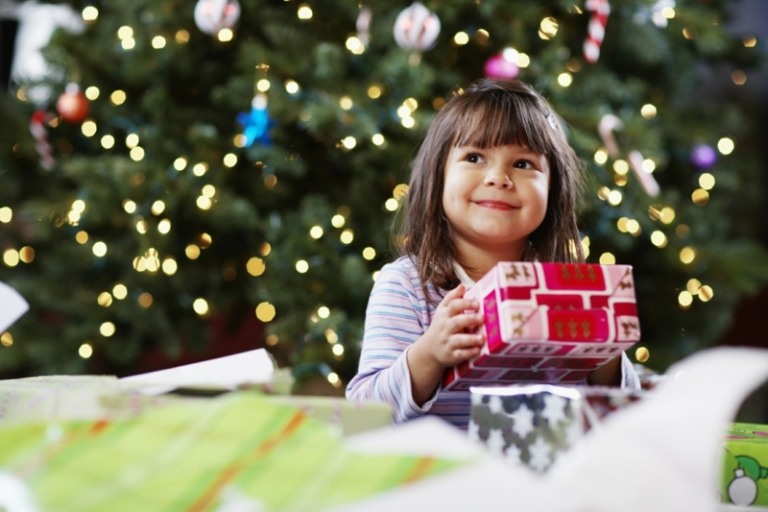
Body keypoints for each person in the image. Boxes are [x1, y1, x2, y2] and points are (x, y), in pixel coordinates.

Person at [345, 78, 640, 429]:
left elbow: (625, 418)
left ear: (553, 189)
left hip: (538, 478)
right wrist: (429, 354)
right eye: (474, 157)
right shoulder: (407, 285)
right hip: (437, 475)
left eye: (523, 164)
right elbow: (364, 413)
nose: (498, 177)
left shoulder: (565, 290)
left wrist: (604, 354)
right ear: (437, 178)